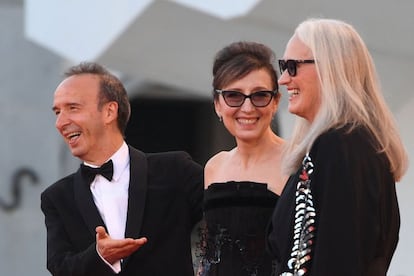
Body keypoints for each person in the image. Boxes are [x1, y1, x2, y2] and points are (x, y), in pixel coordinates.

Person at [266, 18, 409, 276]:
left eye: (292, 66)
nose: (283, 79)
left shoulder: (339, 146)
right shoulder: (345, 145)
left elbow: (339, 257)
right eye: (282, 67)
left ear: (330, 69)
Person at [40, 61, 203, 276]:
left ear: (109, 112)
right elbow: (60, 268)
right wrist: (99, 256)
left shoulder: (175, 170)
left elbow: (230, 213)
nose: (60, 123)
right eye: (57, 112)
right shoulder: (57, 197)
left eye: (73, 108)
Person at [196, 41, 287, 276]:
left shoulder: (296, 162)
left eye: (259, 95)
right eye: (234, 96)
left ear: (275, 102)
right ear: (217, 105)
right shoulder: (214, 167)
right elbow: (210, 255)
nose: (247, 108)